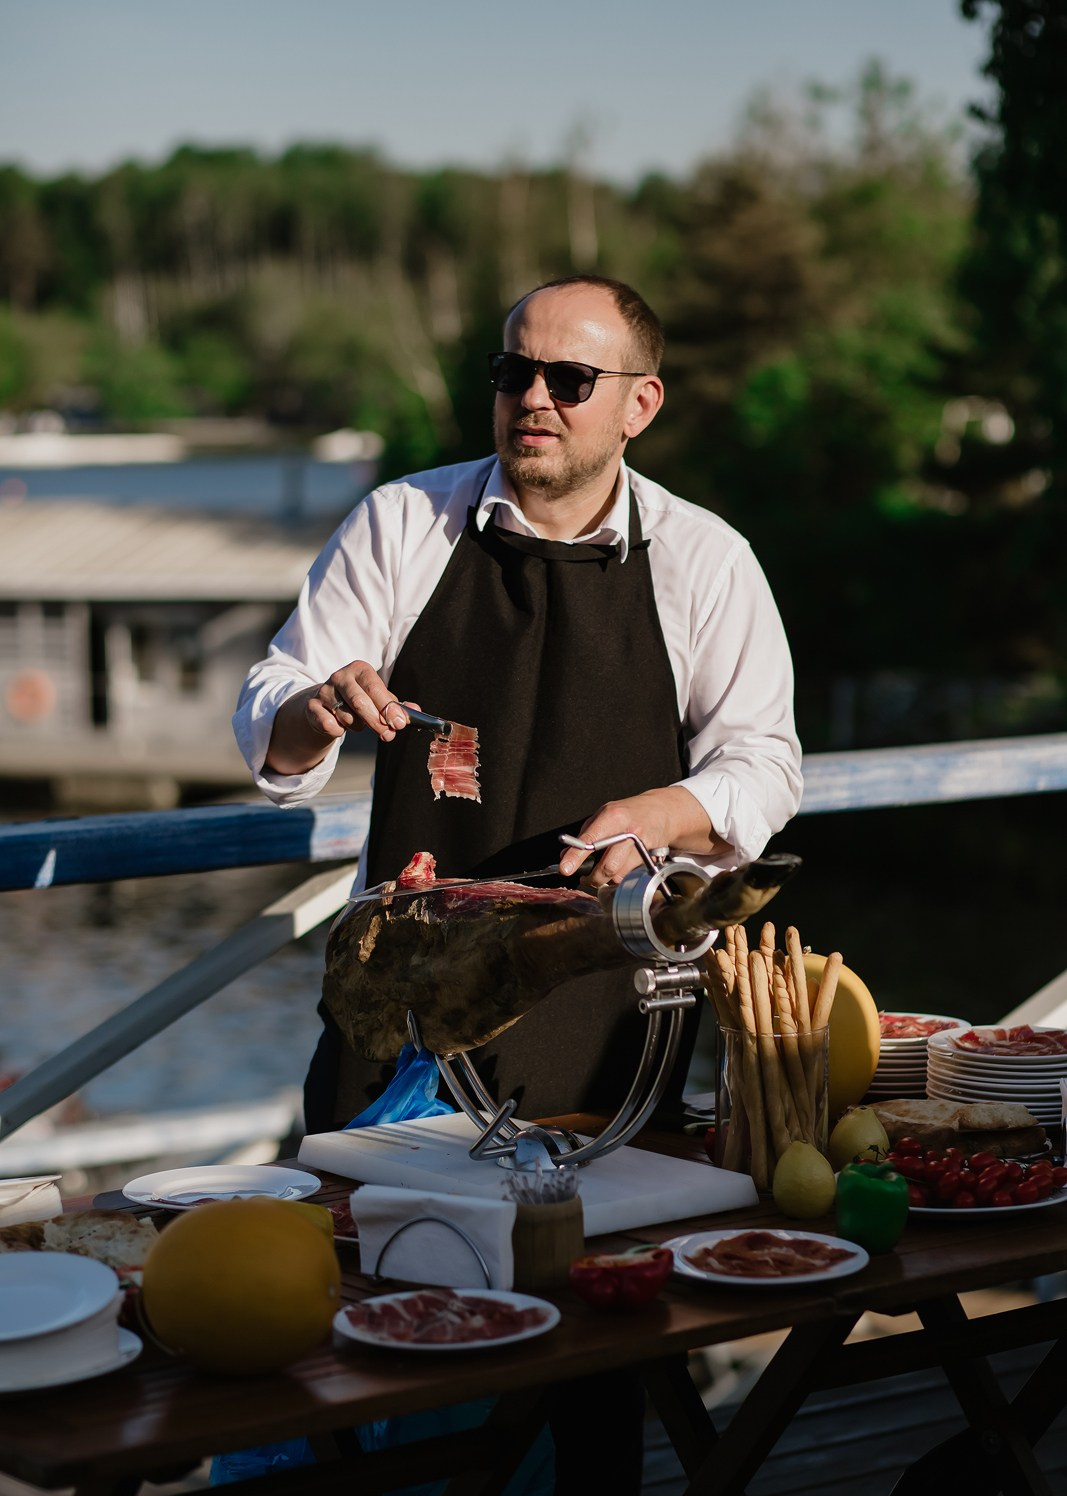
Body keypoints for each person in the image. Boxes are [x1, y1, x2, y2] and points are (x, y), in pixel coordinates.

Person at [234, 273, 803, 1138]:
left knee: (595, 1225)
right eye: (513, 372)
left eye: (569, 380)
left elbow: (764, 763)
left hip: (609, 1018)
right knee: (361, 1226)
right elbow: (274, 713)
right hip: (401, 1008)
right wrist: (314, 711)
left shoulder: (707, 559)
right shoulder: (400, 521)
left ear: (639, 405)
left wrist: (658, 814)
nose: (533, 398)